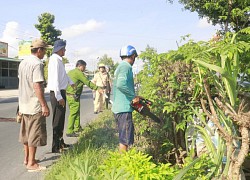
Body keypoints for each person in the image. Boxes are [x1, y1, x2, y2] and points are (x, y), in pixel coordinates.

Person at [18, 39, 50, 172]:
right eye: (44, 50)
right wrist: (44, 105)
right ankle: (31, 163)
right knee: (34, 135)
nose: (45, 53)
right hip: (34, 105)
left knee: (26, 134)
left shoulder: (23, 63)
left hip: (23, 104)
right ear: (39, 50)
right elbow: (37, 85)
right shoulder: (37, 64)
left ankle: (27, 159)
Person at [47, 39, 74, 153]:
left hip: (61, 92)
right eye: (64, 48)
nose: (65, 50)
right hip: (56, 93)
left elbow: (63, 75)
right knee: (57, 121)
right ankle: (55, 146)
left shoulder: (59, 60)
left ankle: (60, 142)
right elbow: (54, 80)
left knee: (61, 119)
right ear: (60, 49)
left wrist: (71, 82)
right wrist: (59, 97)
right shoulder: (54, 60)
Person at [111, 45, 139, 153]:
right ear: (132, 56)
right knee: (125, 140)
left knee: (123, 138)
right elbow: (121, 84)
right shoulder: (125, 66)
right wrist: (133, 96)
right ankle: (123, 165)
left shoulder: (120, 67)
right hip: (123, 109)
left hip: (119, 108)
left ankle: (122, 162)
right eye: (134, 57)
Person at [66, 60, 103, 137]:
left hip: (70, 95)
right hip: (73, 95)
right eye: (84, 66)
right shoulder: (78, 73)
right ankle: (70, 130)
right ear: (80, 66)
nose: (85, 68)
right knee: (73, 113)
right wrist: (97, 88)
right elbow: (87, 82)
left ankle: (77, 128)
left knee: (76, 111)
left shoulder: (71, 72)